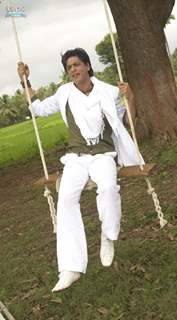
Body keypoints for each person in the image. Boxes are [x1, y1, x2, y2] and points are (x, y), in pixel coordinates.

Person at [18, 48, 144, 292]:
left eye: (76, 64)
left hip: (103, 155)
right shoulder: (64, 93)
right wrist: (26, 81)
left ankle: (108, 236)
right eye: (69, 68)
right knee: (65, 198)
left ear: (87, 66)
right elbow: (37, 108)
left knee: (108, 187)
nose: (73, 70)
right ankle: (71, 267)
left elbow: (128, 122)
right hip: (75, 158)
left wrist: (131, 97)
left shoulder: (108, 91)